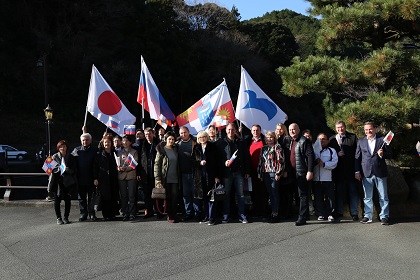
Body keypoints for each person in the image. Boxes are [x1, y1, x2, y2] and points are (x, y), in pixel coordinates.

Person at [355, 122, 392, 225]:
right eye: (366, 130)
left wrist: (382, 154)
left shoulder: (382, 140)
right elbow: (357, 157)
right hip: (366, 172)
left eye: (370, 129)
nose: (368, 131)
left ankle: (384, 216)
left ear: (375, 129)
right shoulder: (361, 141)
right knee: (367, 196)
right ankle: (368, 216)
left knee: (383, 196)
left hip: (380, 172)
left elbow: (390, 154)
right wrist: (357, 171)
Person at [217, 122, 250, 224]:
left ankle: (242, 215)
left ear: (236, 130)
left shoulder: (241, 142)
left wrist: (247, 171)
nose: (231, 132)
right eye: (229, 130)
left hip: (239, 172)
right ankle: (226, 215)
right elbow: (218, 159)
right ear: (226, 131)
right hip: (227, 173)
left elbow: (246, 157)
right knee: (226, 195)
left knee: (240, 195)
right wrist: (224, 162)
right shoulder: (221, 143)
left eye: (232, 130)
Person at [284, 123, 314, 226]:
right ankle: (296, 214)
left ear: (299, 129)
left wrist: (310, 171)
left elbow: (310, 156)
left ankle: (303, 217)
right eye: (290, 129)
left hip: (302, 172)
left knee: (302, 195)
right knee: (294, 195)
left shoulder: (304, 141)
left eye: (294, 129)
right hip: (292, 173)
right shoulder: (290, 141)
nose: (292, 131)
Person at [329, 120, 359, 221]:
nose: (340, 129)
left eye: (342, 127)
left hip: (351, 170)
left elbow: (357, 154)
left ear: (345, 127)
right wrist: (337, 154)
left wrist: (357, 170)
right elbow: (330, 155)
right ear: (335, 128)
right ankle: (339, 212)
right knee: (339, 192)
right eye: (338, 128)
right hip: (338, 172)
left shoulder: (353, 137)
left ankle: (354, 213)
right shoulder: (332, 139)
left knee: (353, 192)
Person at [192, 131, 221, 225]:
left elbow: (217, 162)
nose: (202, 139)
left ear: (207, 137)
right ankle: (206, 216)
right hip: (200, 177)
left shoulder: (212, 147)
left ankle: (212, 217)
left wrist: (217, 176)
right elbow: (192, 162)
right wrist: (199, 163)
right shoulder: (196, 147)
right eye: (200, 137)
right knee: (204, 197)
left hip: (211, 175)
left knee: (211, 197)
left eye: (204, 137)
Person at [257, 131, 285, 223]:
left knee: (274, 194)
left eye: (271, 137)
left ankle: (275, 213)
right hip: (265, 173)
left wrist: (278, 173)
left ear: (274, 138)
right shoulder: (263, 148)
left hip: (274, 173)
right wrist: (260, 173)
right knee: (269, 193)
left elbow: (280, 161)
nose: (269, 139)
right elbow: (261, 162)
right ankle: (272, 212)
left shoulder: (277, 147)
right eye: (267, 137)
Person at [71, 133, 99, 221]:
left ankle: (92, 213)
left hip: (91, 178)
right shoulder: (76, 150)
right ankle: (83, 213)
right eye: (83, 140)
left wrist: (96, 178)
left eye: (87, 140)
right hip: (80, 178)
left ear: (90, 140)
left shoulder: (95, 150)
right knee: (81, 198)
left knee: (91, 198)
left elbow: (97, 165)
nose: (85, 141)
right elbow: (70, 161)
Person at [154, 132, 181, 223]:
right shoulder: (161, 150)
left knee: (175, 197)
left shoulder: (175, 149)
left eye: (173, 139)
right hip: (165, 178)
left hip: (175, 178)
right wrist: (157, 178)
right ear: (165, 139)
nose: (171, 141)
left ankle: (174, 214)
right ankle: (170, 216)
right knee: (168, 198)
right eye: (169, 139)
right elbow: (157, 164)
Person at [48, 140, 77, 225]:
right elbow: (48, 169)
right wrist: (58, 169)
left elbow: (74, 169)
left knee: (68, 200)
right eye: (61, 147)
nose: (62, 148)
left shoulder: (71, 157)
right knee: (57, 200)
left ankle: (66, 217)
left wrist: (67, 170)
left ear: (67, 147)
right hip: (57, 181)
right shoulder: (54, 156)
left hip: (68, 181)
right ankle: (58, 218)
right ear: (58, 148)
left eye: (64, 146)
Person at [313, 133, 338, 222]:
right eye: (319, 139)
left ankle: (330, 214)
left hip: (328, 178)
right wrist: (316, 162)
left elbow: (334, 163)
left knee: (330, 197)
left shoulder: (331, 151)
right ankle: (320, 214)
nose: (321, 141)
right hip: (316, 178)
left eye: (323, 139)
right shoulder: (313, 150)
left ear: (327, 141)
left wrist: (324, 164)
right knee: (318, 197)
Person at [246, 124, 269, 219]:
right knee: (254, 191)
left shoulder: (264, 141)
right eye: (254, 130)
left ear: (260, 131)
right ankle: (256, 211)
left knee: (263, 191)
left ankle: (264, 211)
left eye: (257, 130)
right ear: (251, 131)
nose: (255, 132)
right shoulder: (248, 141)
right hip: (251, 170)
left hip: (262, 170)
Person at [94, 135, 119, 221]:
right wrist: (95, 178)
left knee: (113, 195)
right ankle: (106, 215)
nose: (107, 144)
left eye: (108, 142)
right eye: (105, 142)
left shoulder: (114, 153)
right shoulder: (99, 154)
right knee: (105, 197)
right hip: (103, 178)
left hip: (113, 177)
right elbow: (95, 167)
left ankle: (112, 214)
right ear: (102, 144)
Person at [177, 126, 199, 220]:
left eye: (185, 132)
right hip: (183, 173)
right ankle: (188, 213)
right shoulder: (177, 144)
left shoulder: (195, 142)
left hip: (194, 173)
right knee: (186, 195)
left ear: (189, 132)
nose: (183, 134)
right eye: (181, 133)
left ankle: (197, 213)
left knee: (195, 194)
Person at [139, 127, 160, 219]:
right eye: (146, 134)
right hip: (145, 173)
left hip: (155, 173)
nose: (148, 136)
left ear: (153, 134)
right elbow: (139, 160)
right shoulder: (142, 145)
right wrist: (138, 173)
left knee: (157, 194)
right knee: (147, 195)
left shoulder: (158, 144)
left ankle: (159, 212)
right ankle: (149, 212)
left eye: (149, 134)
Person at [117, 135, 139, 221]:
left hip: (131, 176)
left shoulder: (134, 152)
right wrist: (118, 168)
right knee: (123, 196)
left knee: (131, 196)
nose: (124, 142)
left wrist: (125, 168)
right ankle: (125, 213)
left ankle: (132, 213)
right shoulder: (119, 152)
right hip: (121, 176)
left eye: (126, 141)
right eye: (123, 141)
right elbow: (116, 163)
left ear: (130, 142)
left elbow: (135, 163)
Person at [275, 123, 294, 219]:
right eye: (277, 129)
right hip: (278, 170)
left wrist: (286, 170)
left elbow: (287, 156)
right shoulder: (276, 140)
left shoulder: (287, 139)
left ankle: (288, 212)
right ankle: (282, 211)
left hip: (286, 170)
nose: (279, 131)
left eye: (281, 129)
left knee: (287, 193)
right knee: (281, 192)